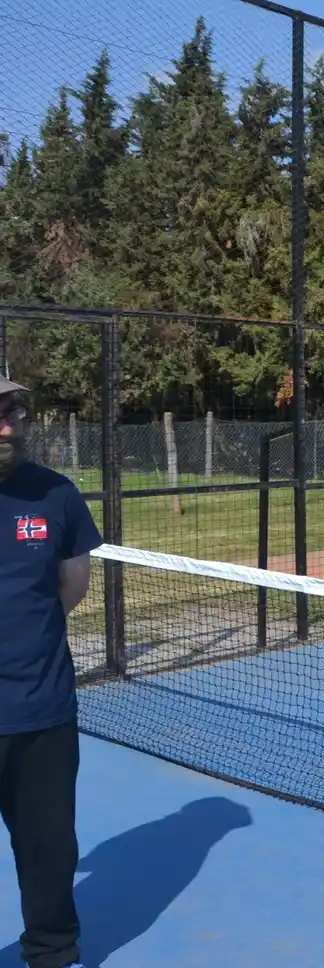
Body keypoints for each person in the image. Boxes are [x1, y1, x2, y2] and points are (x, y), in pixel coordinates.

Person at [0, 373, 102, 968]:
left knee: (48, 854)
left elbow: (71, 587)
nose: (8, 425)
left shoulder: (57, 496)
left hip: (42, 717)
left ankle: (51, 954)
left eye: (15, 411)